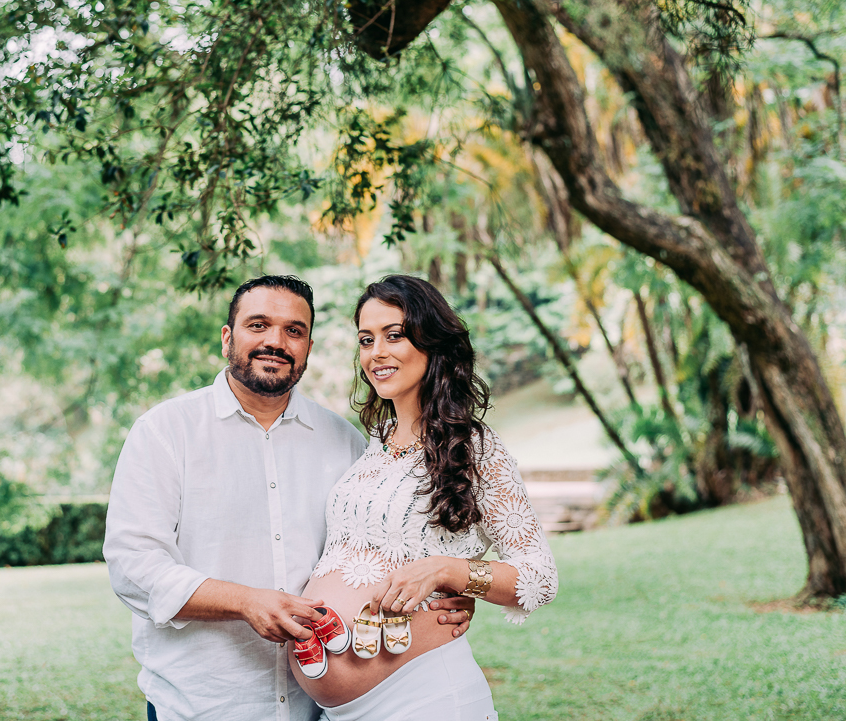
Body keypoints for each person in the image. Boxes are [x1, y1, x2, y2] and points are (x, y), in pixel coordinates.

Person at [103, 275, 474, 721]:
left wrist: (448, 591)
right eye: (257, 325)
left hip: (316, 711)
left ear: (308, 348)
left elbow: (386, 545)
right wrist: (246, 602)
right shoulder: (165, 432)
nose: (275, 342)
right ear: (227, 338)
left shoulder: (344, 441)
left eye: (293, 330)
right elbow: (134, 565)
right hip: (202, 705)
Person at [289, 275, 558, 720]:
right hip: (344, 712)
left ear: (432, 342)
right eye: (366, 340)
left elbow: (539, 577)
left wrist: (447, 572)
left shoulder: (474, 447)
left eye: (395, 335)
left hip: (427, 697)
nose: (377, 353)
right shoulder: (375, 442)